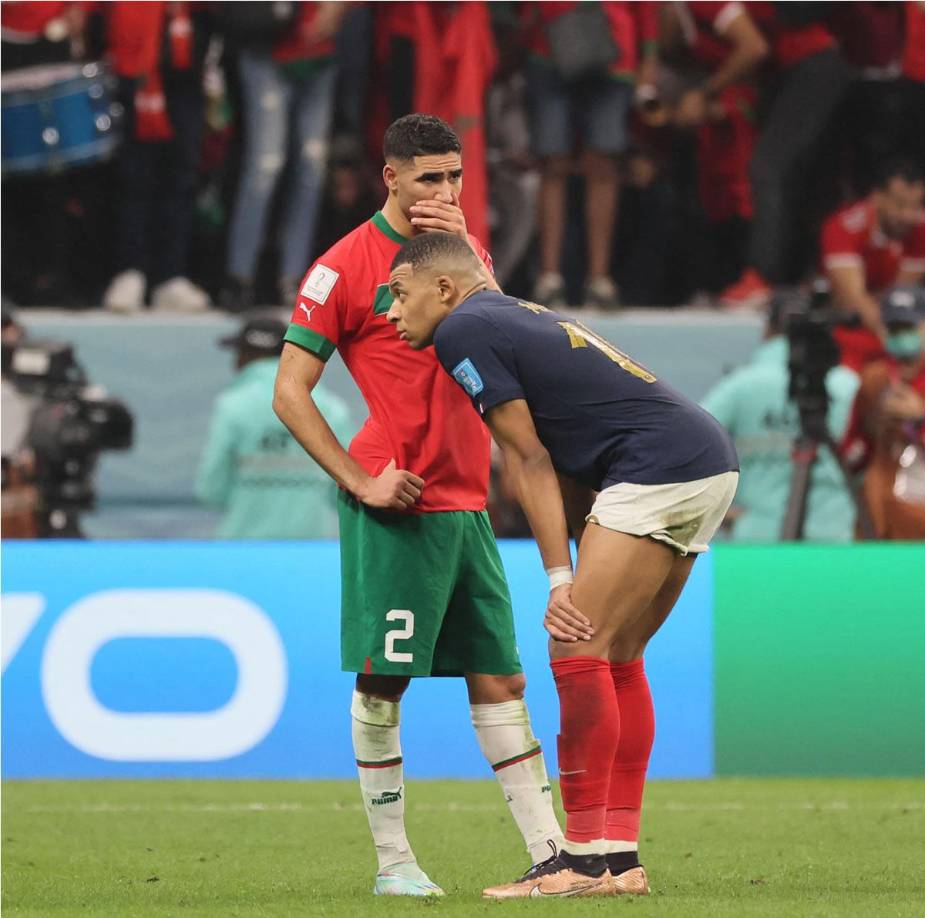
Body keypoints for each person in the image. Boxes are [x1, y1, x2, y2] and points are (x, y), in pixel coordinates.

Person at [385, 231, 739, 898]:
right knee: (617, 655)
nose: (390, 311)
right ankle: (616, 858)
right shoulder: (515, 316)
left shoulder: (462, 329)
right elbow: (574, 451)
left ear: (443, 288)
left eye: (399, 294)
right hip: (702, 460)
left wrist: (558, 578)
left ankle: (575, 862)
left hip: (657, 468)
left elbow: (528, 459)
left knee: (573, 642)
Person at [272, 114, 563, 898]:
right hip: (395, 503)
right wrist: (356, 480)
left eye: (454, 176)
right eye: (428, 177)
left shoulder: (465, 257)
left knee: (502, 681)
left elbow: (511, 340)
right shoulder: (341, 267)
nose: (443, 191)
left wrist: (473, 255)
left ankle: (551, 854)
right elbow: (289, 392)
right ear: (390, 178)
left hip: (467, 503)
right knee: (384, 682)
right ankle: (394, 864)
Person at [520, 1, 659, 309]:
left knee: (603, 167)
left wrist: (649, 55)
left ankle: (599, 279)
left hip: (614, 50)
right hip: (550, 47)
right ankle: (549, 278)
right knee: (552, 165)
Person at [219, 2, 347, 311]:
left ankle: (294, 279)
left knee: (311, 168)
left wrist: (339, 5)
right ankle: (240, 277)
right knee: (266, 164)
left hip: (318, 51)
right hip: (267, 46)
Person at [701, 296, 859, 541]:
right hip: (836, 541)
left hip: (757, 541)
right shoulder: (849, 385)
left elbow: (684, 444)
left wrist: (715, 512)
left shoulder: (741, 385)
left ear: (768, 328)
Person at [195, 315, 351, 539]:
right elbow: (347, 489)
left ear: (243, 357)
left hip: (245, 547)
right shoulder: (332, 408)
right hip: (315, 546)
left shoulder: (232, 407)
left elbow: (210, 490)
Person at [101, 2, 212, 314]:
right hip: (134, 68)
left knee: (182, 176)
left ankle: (171, 275)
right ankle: (129, 270)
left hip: (186, 66)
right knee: (133, 177)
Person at [821, 159, 925, 372]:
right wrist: (898, 347)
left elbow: (900, 297)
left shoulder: (920, 228)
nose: (909, 215)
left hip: (898, 325)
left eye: (917, 205)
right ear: (877, 197)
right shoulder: (844, 227)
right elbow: (853, 301)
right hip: (850, 330)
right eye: (900, 205)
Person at [841, 286, 925, 539]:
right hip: (880, 517)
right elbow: (851, 453)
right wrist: (872, 427)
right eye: (894, 328)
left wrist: (919, 420)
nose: (901, 336)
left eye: (909, 328)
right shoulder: (875, 379)